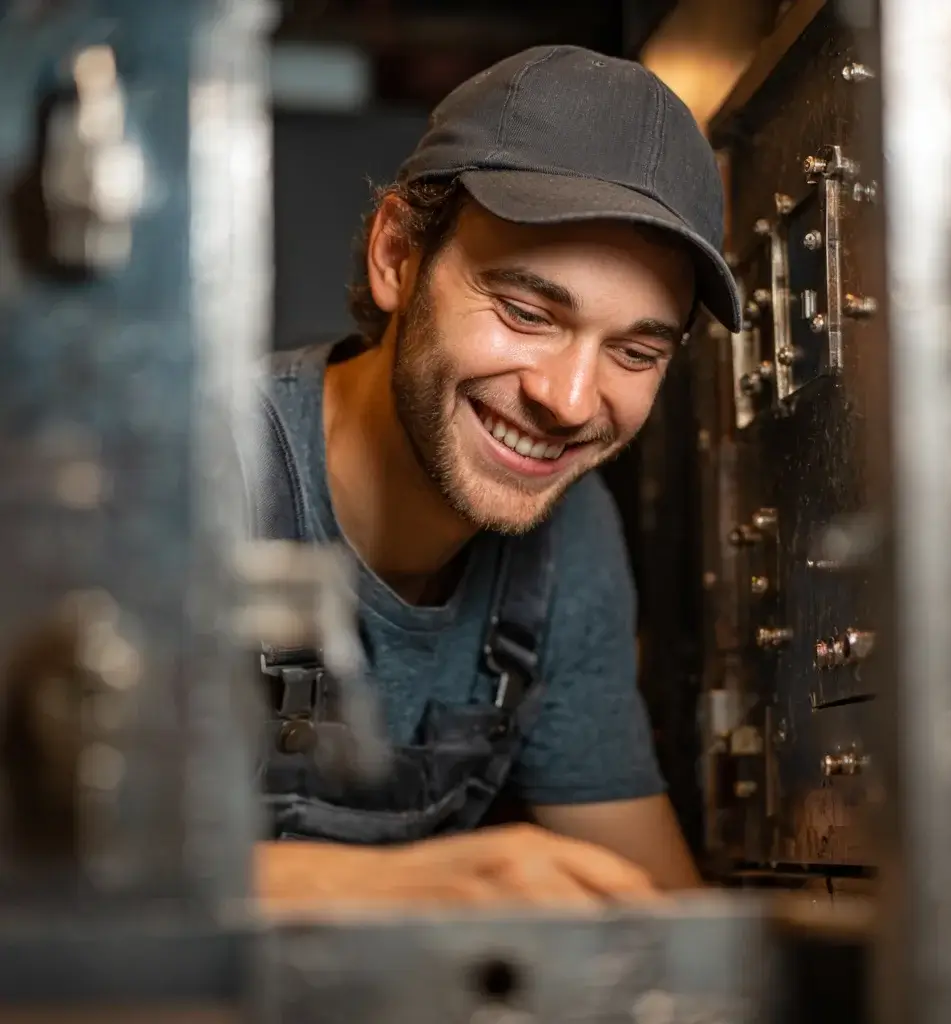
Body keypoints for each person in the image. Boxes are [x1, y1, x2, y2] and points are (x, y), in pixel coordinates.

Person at [251, 44, 741, 911]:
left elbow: (656, 918)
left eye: (634, 351)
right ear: (398, 254)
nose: (569, 399)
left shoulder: (571, 540)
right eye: (526, 312)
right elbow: (43, 882)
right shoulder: (186, 469)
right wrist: (403, 891)